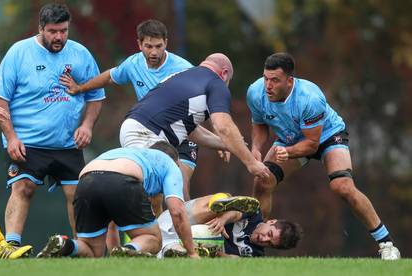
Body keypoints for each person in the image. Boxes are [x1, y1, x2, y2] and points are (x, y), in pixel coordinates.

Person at [246, 52, 400, 260]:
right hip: (290, 138)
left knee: (342, 187)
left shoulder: (310, 98)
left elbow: (311, 144)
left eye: (275, 80)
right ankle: (253, 243)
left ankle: (386, 243)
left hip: (326, 136)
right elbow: (260, 123)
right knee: (262, 180)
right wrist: (256, 147)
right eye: (266, 78)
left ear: (290, 81)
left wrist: (288, 152)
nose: (268, 86)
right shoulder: (256, 92)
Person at [0, 3, 105, 252]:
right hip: (27, 141)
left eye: (63, 31)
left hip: (66, 143)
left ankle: (83, 248)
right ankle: (11, 247)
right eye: (53, 31)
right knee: (23, 187)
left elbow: (96, 95)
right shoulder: (19, 53)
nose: (59, 37)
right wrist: (11, 137)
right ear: (41, 29)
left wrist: (87, 126)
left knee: (76, 194)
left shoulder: (80, 55)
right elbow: (1, 100)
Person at [60, 19, 202, 200]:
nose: (154, 52)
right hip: (154, 133)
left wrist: (219, 137)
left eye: (159, 46)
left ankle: (187, 227)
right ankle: (155, 228)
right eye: (149, 46)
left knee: (180, 187)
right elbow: (110, 77)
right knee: (152, 188)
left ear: (166, 43)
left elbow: (206, 97)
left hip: (183, 134)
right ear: (140, 44)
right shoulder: (133, 64)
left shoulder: (184, 69)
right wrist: (80, 88)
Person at [119, 53, 270, 184]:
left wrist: (228, 144)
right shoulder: (216, 83)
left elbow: (192, 131)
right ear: (224, 74)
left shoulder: (181, 74)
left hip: (131, 127)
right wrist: (251, 163)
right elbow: (224, 127)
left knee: (172, 186)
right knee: (170, 188)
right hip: (147, 135)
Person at [36, 141, 199, 259]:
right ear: (175, 161)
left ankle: (65, 244)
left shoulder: (130, 154)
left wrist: (116, 256)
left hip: (86, 182)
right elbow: (177, 210)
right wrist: (191, 252)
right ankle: (130, 249)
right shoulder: (170, 165)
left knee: (92, 252)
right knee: (154, 239)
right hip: (121, 180)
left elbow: (112, 222)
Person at [158, 193, 303, 258]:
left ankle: (175, 252)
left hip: (180, 243)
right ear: (271, 221)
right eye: (269, 234)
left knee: (204, 248)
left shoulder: (255, 255)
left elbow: (235, 261)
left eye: (270, 244)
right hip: (179, 220)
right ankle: (221, 201)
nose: (264, 240)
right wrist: (223, 220)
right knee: (220, 205)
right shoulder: (254, 214)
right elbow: (236, 215)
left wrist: (220, 254)